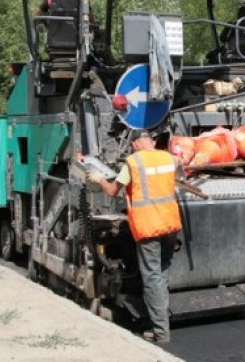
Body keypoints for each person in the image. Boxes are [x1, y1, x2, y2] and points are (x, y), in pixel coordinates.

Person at [89, 130, 182, 343]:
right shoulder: (169, 158)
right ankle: (160, 320)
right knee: (162, 274)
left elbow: (113, 190)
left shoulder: (132, 162)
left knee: (151, 277)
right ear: (151, 141)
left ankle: (160, 331)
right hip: (170, 224)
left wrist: (99, 179)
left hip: (149, 225)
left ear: (134, 145)